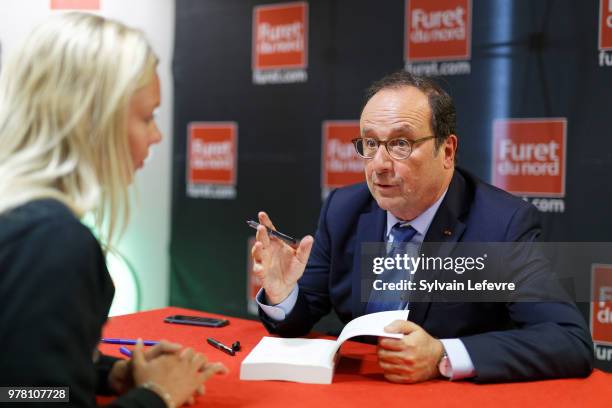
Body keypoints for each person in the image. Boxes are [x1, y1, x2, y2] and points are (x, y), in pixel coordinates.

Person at [251, 71, 593, 383]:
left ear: (447, 150)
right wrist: (283, 295)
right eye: (370, 143)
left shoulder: (500, 225)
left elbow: (567, 339)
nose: (380, 166)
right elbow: (303, 311)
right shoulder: (344, 209)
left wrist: (442, 354)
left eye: (401, 144)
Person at [0, 13, 226, 407]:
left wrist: (107, 373)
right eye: (146, 117)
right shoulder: (52, 240)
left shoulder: (23, 218)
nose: (156, 135)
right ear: (90, 117)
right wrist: (157, 395)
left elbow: (18, 386)